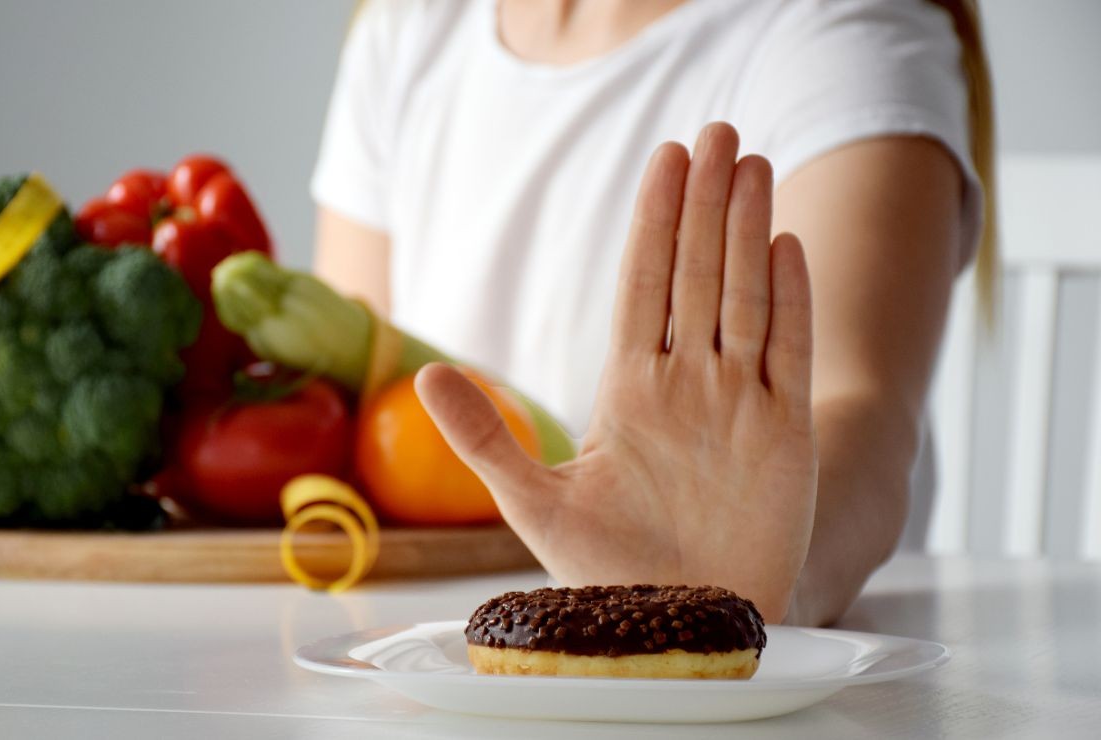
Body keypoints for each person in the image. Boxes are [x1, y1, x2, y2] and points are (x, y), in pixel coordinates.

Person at [310, 0, 994, 625]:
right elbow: (349, 406)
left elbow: (861, 414)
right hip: (465, 667)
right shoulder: (410, 28)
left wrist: (742, 598)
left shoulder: (844, 32)